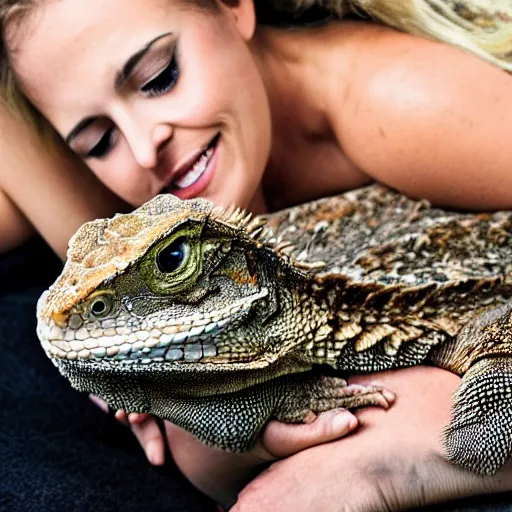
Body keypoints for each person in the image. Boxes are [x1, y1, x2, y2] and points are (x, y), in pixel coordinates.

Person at [0, 0, 512, 509]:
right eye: (99, 141)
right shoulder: (170, 173)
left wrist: (403, 446)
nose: (142, 149)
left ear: (234, 6)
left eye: (160, 76)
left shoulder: (403, 101)